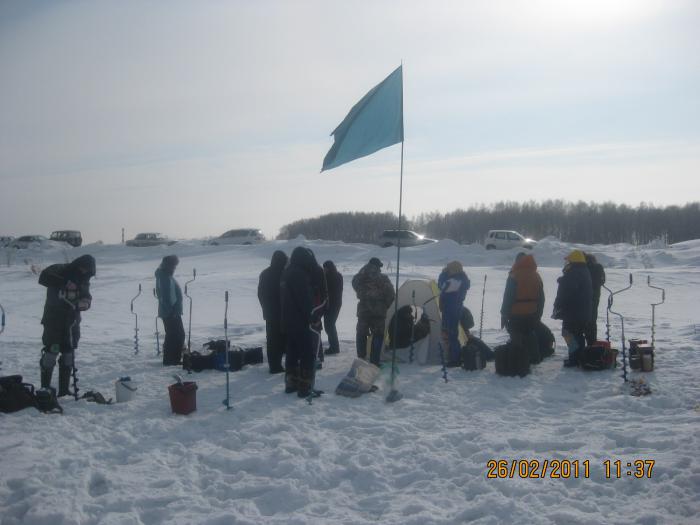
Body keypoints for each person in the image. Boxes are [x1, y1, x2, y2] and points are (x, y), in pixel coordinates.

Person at [38, 254, 96, 396]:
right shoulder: (60, 269)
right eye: (82, 268)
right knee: (51, 352)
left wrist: (86, 303)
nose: (83, 272)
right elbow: (43, 277)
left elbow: (86, 295)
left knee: (68, 354)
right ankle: (45, 389)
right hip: (54, 320)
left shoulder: (84, 279)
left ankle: (64, 390)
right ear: (77, 263)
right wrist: (65, 283)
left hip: (72, 322)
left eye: (87, 270)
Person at [281, 247, 319, 397]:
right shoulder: (299, 274)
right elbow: (304, 300)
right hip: (300, 321)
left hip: (288, 320)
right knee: (307, 354)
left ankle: (291, 384)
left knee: (292, 352)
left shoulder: (286, 272)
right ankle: (305, 387)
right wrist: (313, 317)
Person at [500, 252, 545, 364]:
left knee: (516, 335)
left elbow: (508, 297)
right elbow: (541, 298)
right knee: (529, 333)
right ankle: (535, 358)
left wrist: (504, 314)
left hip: (516, 312)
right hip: (532, 312)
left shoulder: (514, 275)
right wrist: (538, 314)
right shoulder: (536, 275)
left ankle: (518, 359)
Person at [352, 257, 395, 366]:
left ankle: (361, 358)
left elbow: (355, 285)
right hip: (379, 311)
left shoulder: (359, 277)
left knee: (361, 333)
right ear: (377, 266)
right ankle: (374, 361)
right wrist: (385, 304)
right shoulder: (383, 278)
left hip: (364, 309)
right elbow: (391, 294)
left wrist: (363, 294)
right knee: (378, 335)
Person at [552, 250, 592, 366]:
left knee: (569, 333)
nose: (567, 263)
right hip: (581, 311)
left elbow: (566, 293)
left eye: (568, 261)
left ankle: (575, 358)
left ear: (573, 261)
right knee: (577, 334)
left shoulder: (574, 273)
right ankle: (578, 356)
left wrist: (558, 306)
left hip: (574, 312)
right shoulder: (584, 271)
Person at [257, 250, 288, 374]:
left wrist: (265, 308)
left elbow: (260, 294)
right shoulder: (284, 273)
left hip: (270, 312)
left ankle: (274, 365)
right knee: (282, 338)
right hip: (282, 312)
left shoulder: (265, 273)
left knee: (272, 339)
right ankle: (278, 365)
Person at [437, 260, 470, 366]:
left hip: (451, 309)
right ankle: (453, 356)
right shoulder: (461, 279)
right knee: (450, 333)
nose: (448, 270)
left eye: (449, 269)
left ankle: (455, 359)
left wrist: (443, 274)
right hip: (454, 308)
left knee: (452, 334)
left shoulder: (455, 281)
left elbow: (441, 286)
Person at [155, 255, 184, 366]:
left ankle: (173, 359)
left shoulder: (166, 275)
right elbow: (166, 296)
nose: (175, 268)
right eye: (174, 265)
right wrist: (171, 311)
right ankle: (170, 360)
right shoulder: (164, 277)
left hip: (172, 311)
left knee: (176, 335)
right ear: (168, 265)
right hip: (170, 312)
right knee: (175, 335)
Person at [584, 252, 606, 346]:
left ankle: (579, 347)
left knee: (582, 323)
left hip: (584, 298)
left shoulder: (584, 268)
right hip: (595, 297)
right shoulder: (599, 267)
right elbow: (602, 281)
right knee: (592, 321)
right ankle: (592, 343)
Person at [322, 260, 343, 355]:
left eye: (325, 268)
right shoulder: (337, 276)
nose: (324, 270)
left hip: (332, 304)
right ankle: (334, 346)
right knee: (329, 325)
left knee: (329, 325)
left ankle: (334, 347)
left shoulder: (332, 277)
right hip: (333, 304)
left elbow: (330, 291)